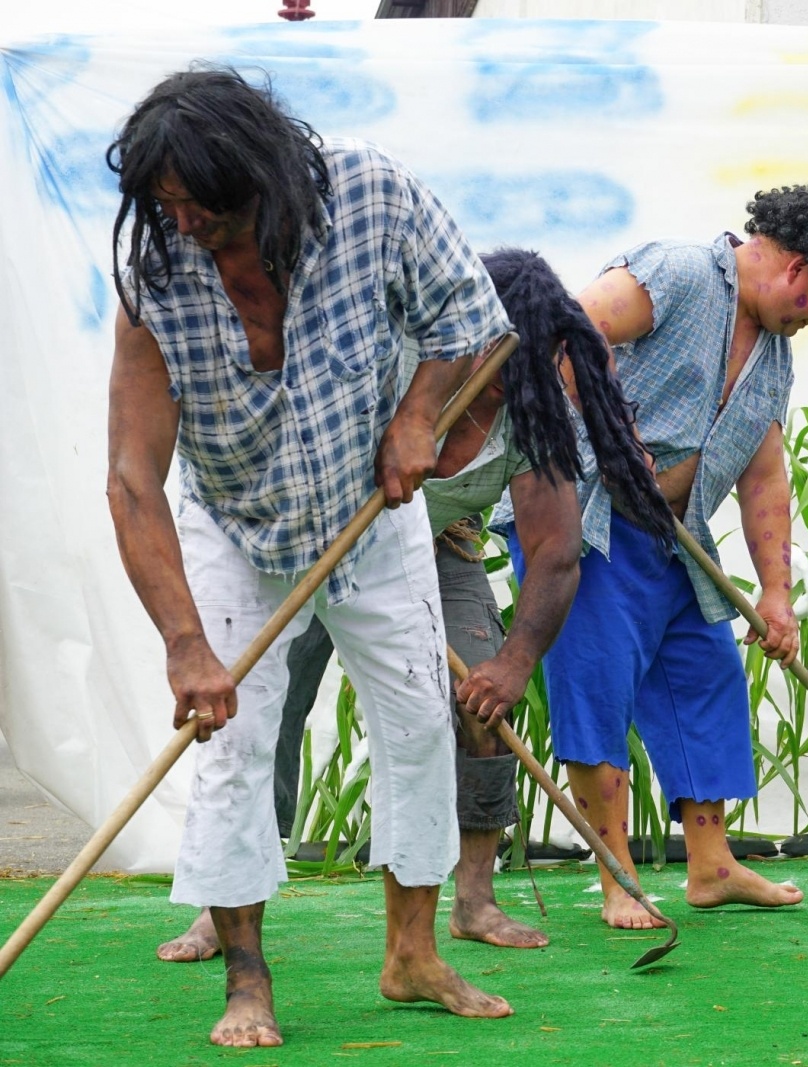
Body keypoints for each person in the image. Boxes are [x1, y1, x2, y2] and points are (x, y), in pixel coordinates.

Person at [105, 67, 515, 1047]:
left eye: (212, 210)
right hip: (236, 523)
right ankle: (248, 979)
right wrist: (184, 646)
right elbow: (131, 479)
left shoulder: (371, 194)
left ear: (270, 178)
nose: (192, 229)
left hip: (371, 511)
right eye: (170, 209)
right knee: (234, 744)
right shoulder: (156, 276)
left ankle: (412, 953)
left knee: (420, 720)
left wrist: (418, 416)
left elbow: (473, 320)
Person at [151, 249, 673, 962]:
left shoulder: (533, 416)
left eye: (533, 353)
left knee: (480, 707)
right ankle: (227, 906)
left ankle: (475, 900)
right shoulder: (393, 365)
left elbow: (554, 548)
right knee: (261, 711)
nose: (513, 365)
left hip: (434, 550)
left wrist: (515, 661)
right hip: (311, 546)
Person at [531, 182, 808, 929]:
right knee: (598, 683)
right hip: (584, 515)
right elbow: (563, 332)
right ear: (798, 269)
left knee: (706, 676)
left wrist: (776, 592)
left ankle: (712, 863)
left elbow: (764, 473)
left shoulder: (775, 357)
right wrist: (603, 426)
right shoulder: (683, 272)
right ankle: (617, 874)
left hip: (673, 533)